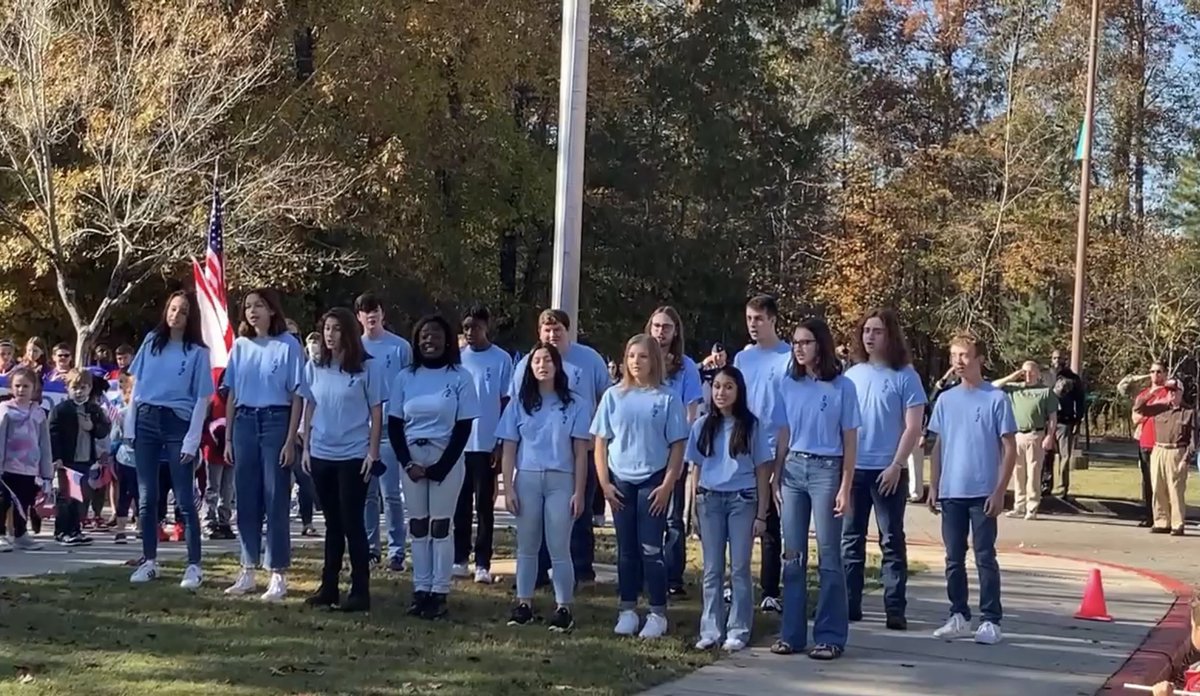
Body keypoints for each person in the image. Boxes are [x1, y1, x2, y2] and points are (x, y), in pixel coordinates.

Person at [768, 317, 859, 660]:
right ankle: (791, 634)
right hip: (793, 469)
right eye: (795, 342)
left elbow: (850, 441)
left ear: (821, 344)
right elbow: (783, 433)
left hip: (827, 469)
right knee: (792, 555)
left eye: (806, 342)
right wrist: (777, 474)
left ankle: (830, 636)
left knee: (829, 556)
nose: (799, 348)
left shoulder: (842, 387)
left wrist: (845, 486)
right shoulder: (788, 384)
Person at [592, 334, 688, 640]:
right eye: (631, 356)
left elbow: (677, 445)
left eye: (643, 356)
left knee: (650, 548)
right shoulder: (613, 396)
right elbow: (600, 443)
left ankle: (657, 612)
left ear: (654, 361)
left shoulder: (667, 398)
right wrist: (605, 483)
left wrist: (668, 484)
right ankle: (627, 609)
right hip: (620, 481)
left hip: (653, 481)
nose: (636, 362)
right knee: (626, 549)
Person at [388, 314, 480, 620]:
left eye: (436, 335)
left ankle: (439, 591)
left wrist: (442, 466)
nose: (430, 341)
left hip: (446, 459)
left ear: (448, 340)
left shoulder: (460, 377)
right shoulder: (405, 378)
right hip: (413, 458)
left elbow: (464, 427)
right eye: (424, 335)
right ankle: (421, 589)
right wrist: (407, 462)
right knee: (418, 525)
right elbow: (394, 424)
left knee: (441, 526)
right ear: (416, 341)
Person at [927, 332, 1016, 645]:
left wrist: (1000, 490)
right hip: (952, 492)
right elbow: (938, 445)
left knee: (984, 557)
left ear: (979, 359)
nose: (958, 362)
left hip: (982, 492)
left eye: (964, 355)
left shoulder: (996, 398)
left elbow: (1010, 448)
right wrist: (934, 485)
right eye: (954, 356)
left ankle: (991, 619)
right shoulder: (946, 399)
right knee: (953, 558)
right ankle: (958, 615)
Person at [509, 309, 609, 584]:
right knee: (537, 518)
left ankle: (581, 570)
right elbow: (516, 404)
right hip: (537, 457)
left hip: (581, 451)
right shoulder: (526, 363)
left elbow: (606, 397)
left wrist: (597, 434)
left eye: (558, 330)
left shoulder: (590, 359)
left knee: (579, 511)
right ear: (539, 332)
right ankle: (538, 573)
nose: (552, 335)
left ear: (568, 331)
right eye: (547, 330)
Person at [498, 341, 591, 632]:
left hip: (561, 480)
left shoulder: (575, 404)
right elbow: (509, 448)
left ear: (557, 365)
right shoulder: (518, 404)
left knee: (559, 546)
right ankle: (523, 603)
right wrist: (508, 488)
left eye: (547, 360)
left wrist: (579, 491)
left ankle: (564, 607)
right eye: (536, 360)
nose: (542, 365)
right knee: (527, 545)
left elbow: (580, 453)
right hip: (527, 478)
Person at [843, 309, 924, 632]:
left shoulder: (906, 376)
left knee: (891, 540)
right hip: (855, 471)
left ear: (890, 336)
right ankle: (850, 605)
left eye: (877, 331)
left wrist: (896, 465)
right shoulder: (852, 376)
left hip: (888, 472)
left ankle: (894, 608)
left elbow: (913, 426)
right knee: (851, 540)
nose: (870, 336)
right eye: (866, 330)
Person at [300, 307, 385, 612]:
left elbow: (376, 412)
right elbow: (309, 405)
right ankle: (329, 587)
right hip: (321, 453)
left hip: (353, 455)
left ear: (348, 332)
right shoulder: (315, 366)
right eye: (326, 328)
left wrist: (372, 453)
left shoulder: (367, 368)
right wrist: (306, 447)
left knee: (352, 522)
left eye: (336, 329)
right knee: (332, 523)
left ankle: (360, 590)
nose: (330, 335)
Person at [222, 288, 305, 602]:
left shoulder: (288, 345)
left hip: (275, 420)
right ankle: (247, 569)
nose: (252, 311)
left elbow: (297, 395)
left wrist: (291, 439)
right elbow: (232, 393)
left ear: (272, 310)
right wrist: (228, 437)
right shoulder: (240, 346)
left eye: (259, 305)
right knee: (246, 499)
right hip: (244, 421)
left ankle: (278, 572)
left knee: (275, 498)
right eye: (247, 306)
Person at [127, 291, 214, 590]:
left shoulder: (198, 352)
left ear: (191, 317)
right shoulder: (152, 341)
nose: (175, 315)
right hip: (146, 419)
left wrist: (192, 438)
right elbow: (136, 387)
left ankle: (194, 565)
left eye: (183, 311)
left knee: (185, 498)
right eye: (172, 308)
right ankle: (149, 561)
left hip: (178, 421)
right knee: (147, 497)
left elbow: (202, 398)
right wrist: (130, 425)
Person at [687, 366, 772, 652]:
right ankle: (711, 629)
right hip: (709, 501)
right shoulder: (701, 425)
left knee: (739, 568)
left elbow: (762, 471)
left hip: (742, 500)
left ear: (738, 391)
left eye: (728, 387)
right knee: (712, 569)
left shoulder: (751, 426)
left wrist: (762, 514)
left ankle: (738, 629)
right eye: (716, 387)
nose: (721, 393)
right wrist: (693, 507)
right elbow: (696, 469)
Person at [732, 295, 789, 613]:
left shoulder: (787, 357)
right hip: (745, 445)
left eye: (758, 319)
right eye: (749, 318)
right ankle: (736, 582)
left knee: (769, 520)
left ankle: (770, 589)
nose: (753, 325)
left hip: (775, 444)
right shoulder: (743, 358)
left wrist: (782, 454)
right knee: (740, 518)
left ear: (772, 320)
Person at [647, 306, 703, 597]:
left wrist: (681, 449)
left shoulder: (687, 367)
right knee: (646, 517)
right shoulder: (641, 359)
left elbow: (691, 412)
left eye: (666, 327)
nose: (660, 332)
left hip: (673, 452)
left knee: (672, 518)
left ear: (675, 331)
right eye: (656, 326)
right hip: (644, 452)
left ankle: (672, 578)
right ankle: (646, 573)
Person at [453, 305, 512, 584]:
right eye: (465, 327)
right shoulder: (457, 359)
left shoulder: (501, 359)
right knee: (460, 504)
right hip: (460, 444)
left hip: (487, 443)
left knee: (484, 507)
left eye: (475, 327)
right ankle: (459, 557)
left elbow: (506, 401)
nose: (470, 332)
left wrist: (500, 442)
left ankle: (483, 562)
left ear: (486, 327)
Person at [357, 292, 413, 572]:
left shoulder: (400, 347)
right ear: (358, 317)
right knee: (367, 494)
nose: (371, 315)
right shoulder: (355, 348)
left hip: (391, 428)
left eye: (375, 310)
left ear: (382, 314)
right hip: (361, 430)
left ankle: (396, 551)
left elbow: (410, 385)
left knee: (391, 493)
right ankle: (370, 548)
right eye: (365, 311)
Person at [49, 368, 112, 545]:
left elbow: (104, 430)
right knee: (66, 497)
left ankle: (76, 530)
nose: (79, 392)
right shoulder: (61, 410)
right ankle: (62, 531)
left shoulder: (94, 409)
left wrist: (92, 427)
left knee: (81, 497)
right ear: (67, 388)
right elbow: (53, 434)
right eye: (75, 387)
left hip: (86, 460)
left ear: (90, 388)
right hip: (67, 460)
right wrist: (56, 457)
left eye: (83, 388)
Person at [992, 361, 1058, 520]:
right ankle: (1019, 506)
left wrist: (1049, 436)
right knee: (1017, 471)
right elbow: (994, 386)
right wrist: (1014, 376)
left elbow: (1053, 417)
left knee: (1033, 471)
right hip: (1016, 435)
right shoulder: (1014, 389)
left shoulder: (1045, 392)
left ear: (1038, 373)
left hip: (1035, 434)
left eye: (1031, 372)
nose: (1028, 375)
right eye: (1025, 372)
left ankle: (1032, 507)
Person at [0, 366, 51, 552]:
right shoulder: (5, 410)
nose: (21, 390)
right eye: (17, 386)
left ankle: (20, 535)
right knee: (3, 502)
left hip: (29, 468)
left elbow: (44, 443)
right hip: (7, 467)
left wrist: (47, 473)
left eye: (26, 386)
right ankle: (1, 534)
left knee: (24, 502)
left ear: (34, 388)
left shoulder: (39, 413)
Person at [1133, 379, 1193, 536]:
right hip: (1158, 449)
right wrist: (1151, 394)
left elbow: (1193, 440)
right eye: (1168, 391)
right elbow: (1139, 408)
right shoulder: (1159, 408)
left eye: (1174, 391)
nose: (1171, 394)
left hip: (1177, 451)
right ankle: (1161, 521)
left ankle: (1177, 524)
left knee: (1176, 489)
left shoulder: (1188, 412)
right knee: (1158, 487)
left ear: (1181, 392)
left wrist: (1186, 459)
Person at [1120, 364, 1170, 527]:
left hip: (1161, 442)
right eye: (1152, 371)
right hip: (1145, 442)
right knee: (1147, 480)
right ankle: (1150, 516)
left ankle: (1164, 517)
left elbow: (1167, 414)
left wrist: (1147, 412)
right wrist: (1150, 412)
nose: (1155, 375)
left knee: (1162, 481)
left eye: (1159, 372)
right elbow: (1136, 417)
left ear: (1165, 374)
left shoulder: (1168, 392)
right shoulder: (1144, 394)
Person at [1042, 349, 1085, 498]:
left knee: (1064, 456)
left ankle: (1062, 488)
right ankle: (1045, 485)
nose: (1057, 361)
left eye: (1060, 358)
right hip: (1047, 422)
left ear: (1065, 360)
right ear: (1051, 359)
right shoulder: (1045, 376)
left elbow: (1080, 401)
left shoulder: (1073, 378)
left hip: (1065, 421)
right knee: (1046, 455)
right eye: (1054, 358)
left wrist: (1077, 420)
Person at [202, 377, 235, 541]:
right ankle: (208, 521)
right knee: (212, 488)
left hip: (231, 450)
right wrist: (207, 440)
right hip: (214, 450)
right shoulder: (213, 399)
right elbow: (204, 422)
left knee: (227, 489)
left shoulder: (236, 399)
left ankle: (224, 521)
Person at [110, 373, 137, 544]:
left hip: (144, 460)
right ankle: (121, 530)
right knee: (125, 494)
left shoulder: (150, 416)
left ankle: (141, 527)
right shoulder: (122, 414)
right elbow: (114, 438)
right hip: (125, 459)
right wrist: (110, 457)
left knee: (142, 495)